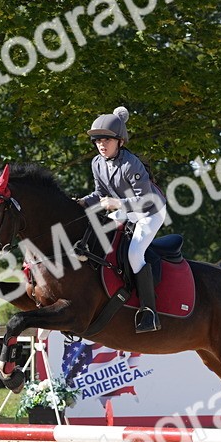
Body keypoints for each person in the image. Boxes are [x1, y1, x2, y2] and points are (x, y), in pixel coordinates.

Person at [77, 106, 166, 333]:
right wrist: (81, 202)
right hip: (125, 210)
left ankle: (149, 312)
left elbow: (145, 201)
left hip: (150, 211)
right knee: (95, 238)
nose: (101, 144)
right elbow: (99, 194)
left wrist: (117, 204)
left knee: (134, 253)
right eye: (97, 140)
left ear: (120, 141)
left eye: (106, 140)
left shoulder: (131, 163)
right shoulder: (97, 163)